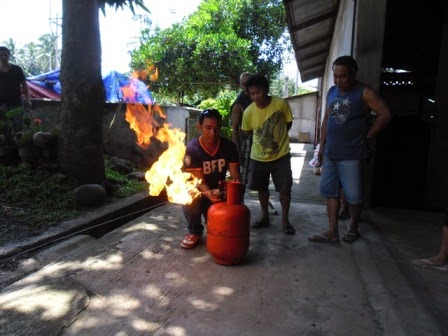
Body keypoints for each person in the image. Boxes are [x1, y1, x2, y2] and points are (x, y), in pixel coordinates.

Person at [309, 55, 391, 244]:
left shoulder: (364, 92)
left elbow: (385, 114)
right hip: (331, 153)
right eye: (335, 76)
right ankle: (332, 231)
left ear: (353, 74)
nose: (338, 81)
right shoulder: (332, 92)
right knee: (330, 192)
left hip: (352, 155)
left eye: (343, 76)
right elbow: (327, 121)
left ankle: (353, 227)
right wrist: (321, 146)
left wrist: (368, 135)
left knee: (354, 196)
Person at [241, 73, 295, 235]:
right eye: (252, 94)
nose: (256, 96)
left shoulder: (281, 104)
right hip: (258, 157)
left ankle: (285, 221)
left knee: (285, 190)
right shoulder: (249, 112)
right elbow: (247, 132)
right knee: (261, 189)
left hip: (281, 156)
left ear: (266, 90)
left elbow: (288, 124)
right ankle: (265, 217)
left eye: (258, 92)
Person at [181, 108, 241, 249]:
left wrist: (232, 191)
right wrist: (209, 193)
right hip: (202, 190)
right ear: (199, 127)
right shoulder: (193, 148)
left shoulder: (229, 147)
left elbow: (235, 175)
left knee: (235, 199)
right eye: (208, 128)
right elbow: (198, 180)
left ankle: (214, 226)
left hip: (220, 191)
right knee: (189, 196)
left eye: (216, 128)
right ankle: (194, 231)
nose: (213, 133)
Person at [231, 72, 278, 215]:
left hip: (261, 142)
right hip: (246, 143)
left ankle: (266, 205)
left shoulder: (259, 98)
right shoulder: (238, 105)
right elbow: (235, 130)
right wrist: (236, 150)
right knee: (242, 178)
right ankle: (238, 204)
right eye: (243, 84)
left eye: (248, 83)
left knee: (262, 176)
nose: (245, 86)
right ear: (240, 85)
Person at [0, 46, 32, 132]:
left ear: (9, 56)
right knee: (4, 130)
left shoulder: (17, 69)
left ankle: (19, 145)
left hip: (16, 104)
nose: (3, 57)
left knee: (18, 128)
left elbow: (24, 85)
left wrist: (28, 99)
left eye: (5, 55)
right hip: (1, 106)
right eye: (1, 55)